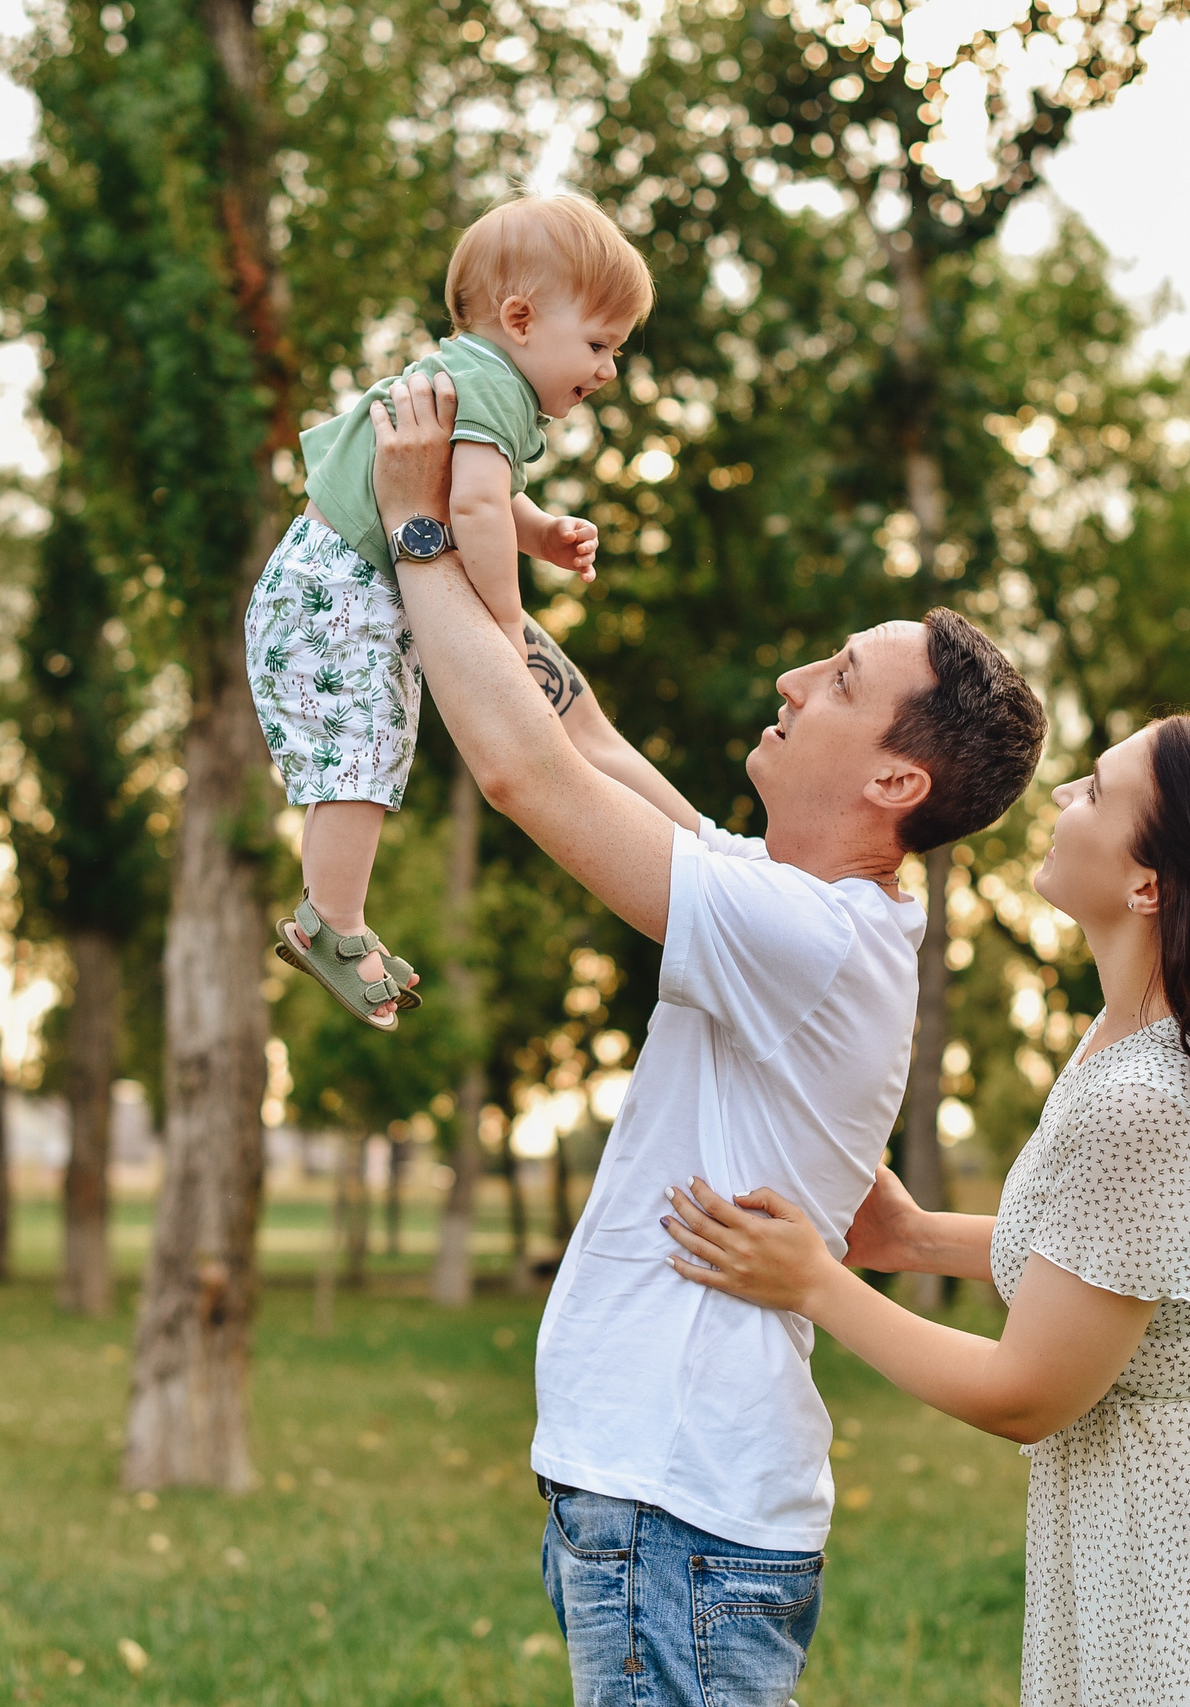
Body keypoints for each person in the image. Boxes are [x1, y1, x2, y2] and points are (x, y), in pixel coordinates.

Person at [366, 369, 1048, 1707]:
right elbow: (583, 729)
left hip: (675, 1507)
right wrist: (479, 526)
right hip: (659, 1501)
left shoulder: (806, 935)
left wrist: (415, 533)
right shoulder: (794, 907)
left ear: (894, 781)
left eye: (840, 678)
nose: (794, 677)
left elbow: (525, 776)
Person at [661, 714, 1190, 1706]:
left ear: (1149, 885)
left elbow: (1029, 1392)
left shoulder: (1150, 1101)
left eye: (1093, 792)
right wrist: (911, 1237)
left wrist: (818, 1286)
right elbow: (1106, 1264)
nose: (1058, 800)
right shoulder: (1142, 1030)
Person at [251, 192, 656, 1031]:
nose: (608, 370)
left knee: (372, 744)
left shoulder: (476, 380)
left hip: (326, 581)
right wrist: (507, 626)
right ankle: (332, 920)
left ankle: (337, 912)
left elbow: (483, 495)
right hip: (336, 590)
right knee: (362, 752)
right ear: (520, 318)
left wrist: (539, 532)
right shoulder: (494, 391)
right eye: (597, 344)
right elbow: (469, 510)